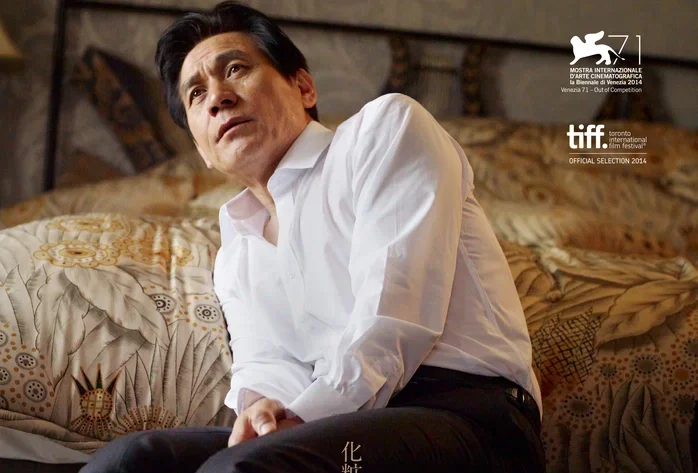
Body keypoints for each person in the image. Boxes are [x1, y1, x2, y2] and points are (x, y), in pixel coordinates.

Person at [80, 2, 545, 472]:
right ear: (201, 148)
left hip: (467, 418)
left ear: (303, 88)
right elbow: (266, 364)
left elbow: (395, 314)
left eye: (235, 69)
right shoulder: (236, 250)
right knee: (130, 460)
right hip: (334, 422)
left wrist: (301, 418)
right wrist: (264, 411)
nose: (218, 97)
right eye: (196, 94)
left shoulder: (385, 129)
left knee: (239, 469)